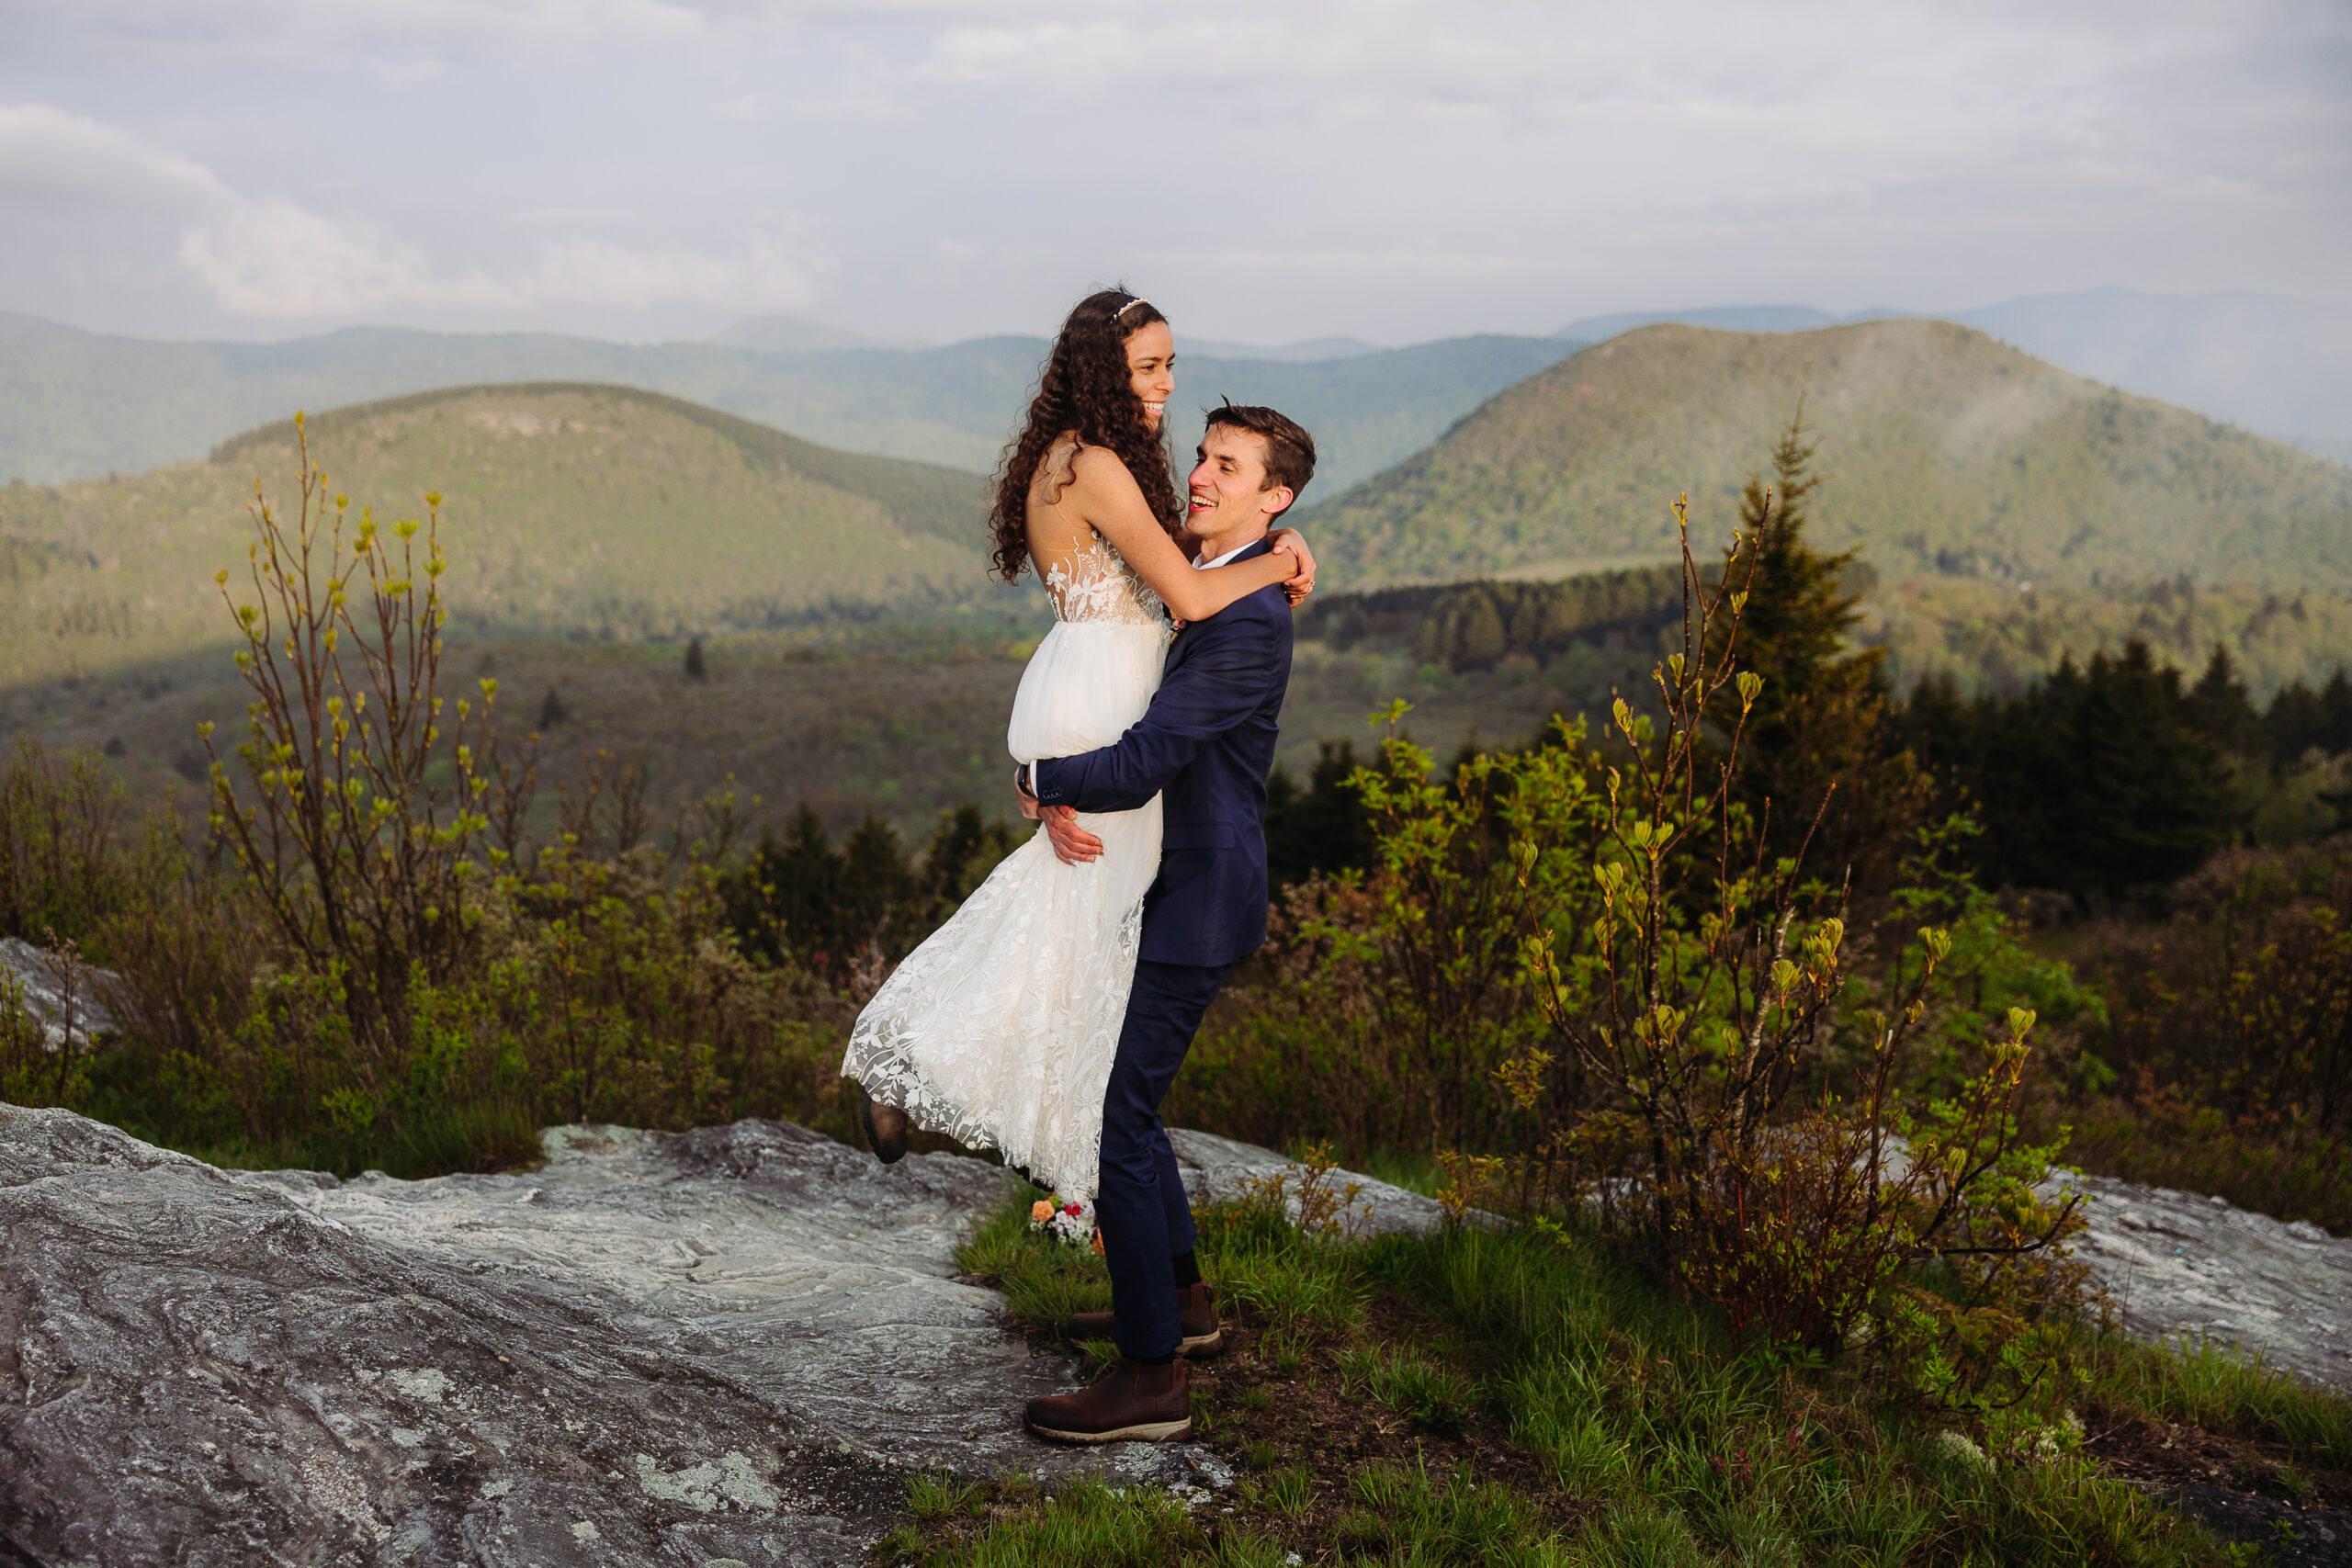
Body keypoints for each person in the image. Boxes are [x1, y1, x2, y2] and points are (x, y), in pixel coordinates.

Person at [838, 288, 1315, 1208]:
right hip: (1103, 696)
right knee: (1079, 924)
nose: (1167, 384)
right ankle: (957, 1084)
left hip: (1087, 685)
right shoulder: (1091, 462)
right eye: (1149, 367)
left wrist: (1273, 537)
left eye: (1169, 363)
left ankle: (1031, 1123)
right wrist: (1285, 558)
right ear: (1104, 370)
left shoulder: (1073, 458)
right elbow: (1190, 593)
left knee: (1070, 915)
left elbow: (1171, 557)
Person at [1015, 400, 1316, 1445]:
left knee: (1123, 1127)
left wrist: (1036, 773)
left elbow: (1146, 759)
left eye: (1227, 466)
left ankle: (1150, 1384)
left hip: (1198, 897)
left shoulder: (1247, 623)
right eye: (1202, 454)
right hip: (1177, 882)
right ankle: (1181, 1311)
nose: (1199, 473)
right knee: (1133, 1112)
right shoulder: (1227, 583)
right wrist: (1278, 550)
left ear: (1273, 495)